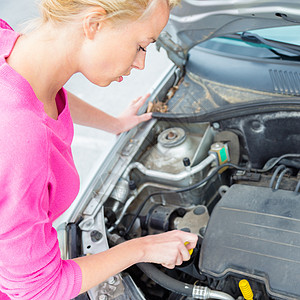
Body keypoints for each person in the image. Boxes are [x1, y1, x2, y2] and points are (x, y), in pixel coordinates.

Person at [0, 0, 198, 299]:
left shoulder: (12, 47)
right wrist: (142, 248)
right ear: (94, 24)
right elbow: (38, 288)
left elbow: (43, 89)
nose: (140, 63)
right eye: (141, 46)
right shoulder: (20, 139)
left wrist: (113, 123)